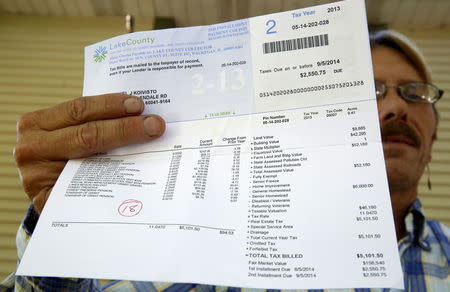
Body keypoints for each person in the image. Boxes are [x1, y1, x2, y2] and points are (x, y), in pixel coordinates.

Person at [1, 30, 449, 292]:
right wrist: (61, 221)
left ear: (434, 128)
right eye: (369, 91)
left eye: (415, 93)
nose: (395, 108)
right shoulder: (225, 236)